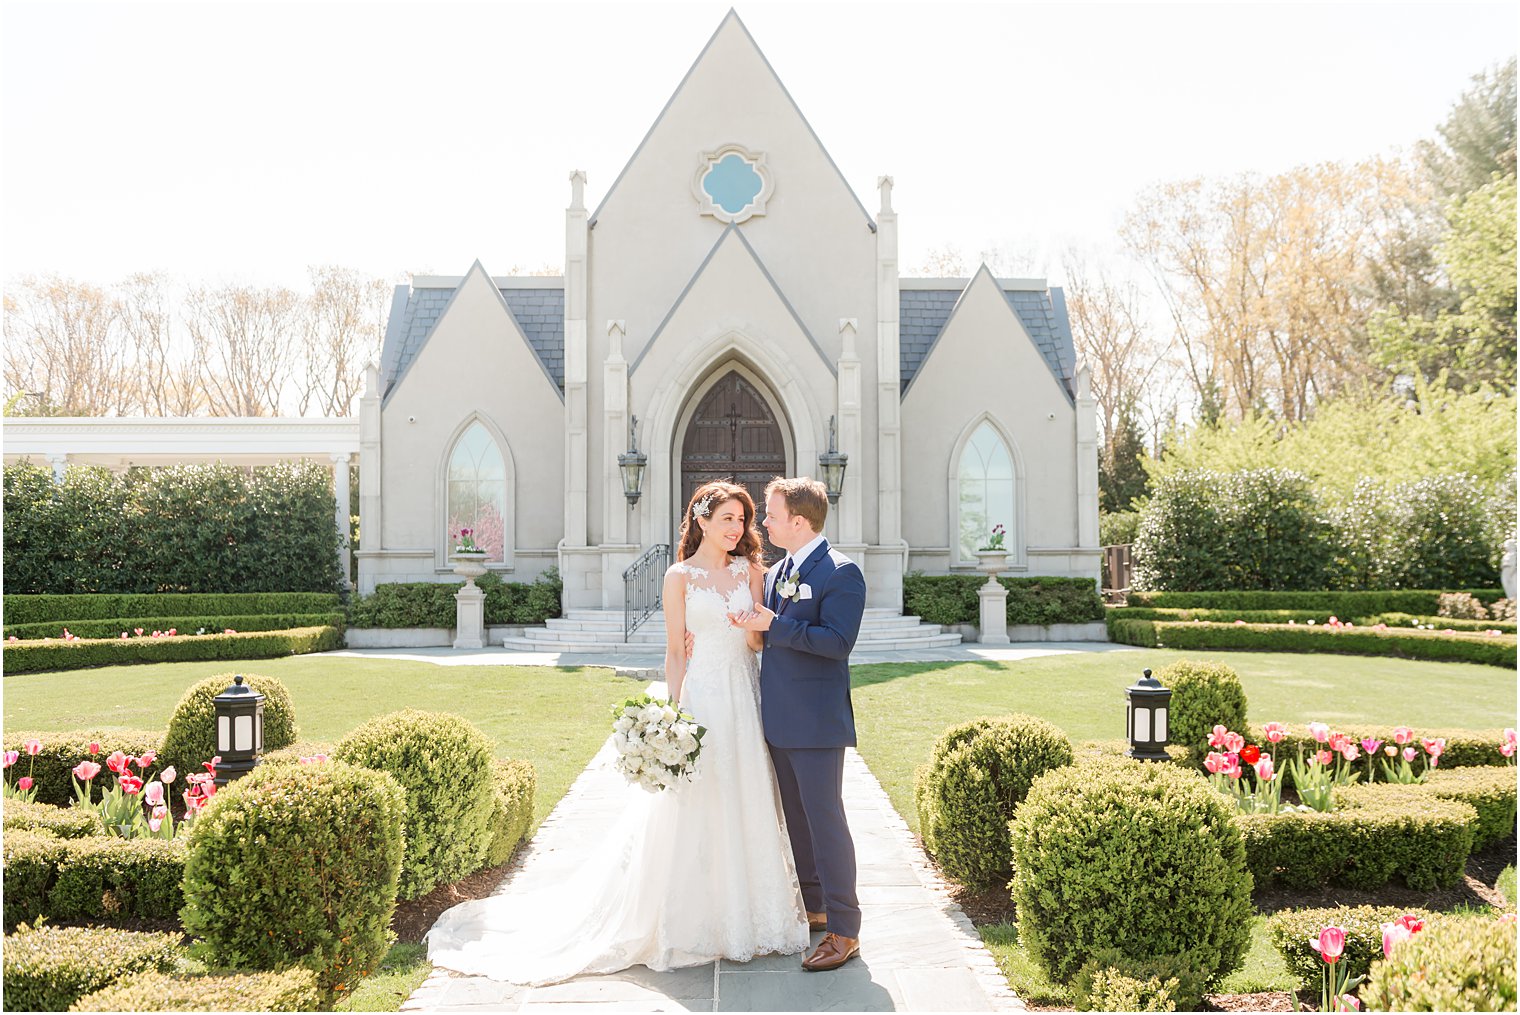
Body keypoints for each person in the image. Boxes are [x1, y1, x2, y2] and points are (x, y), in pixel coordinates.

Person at [425, 480, 808, 984]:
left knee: (746, 797)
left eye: (742, 520)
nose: (737, 529)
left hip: (743, 695)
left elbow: (759, 642)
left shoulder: (751, 571)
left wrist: (752, 626)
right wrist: (674, 712)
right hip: (702, 699)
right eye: (727, 520)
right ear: (701, 522)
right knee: (698, 803)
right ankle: (693, 920)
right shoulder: (678, 577)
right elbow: (675, 651)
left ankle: (751, 916)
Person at [728, 476, 867, 972]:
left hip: (817, 721)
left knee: (825, 820)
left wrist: (774, 625)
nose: (763, 522)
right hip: (778, 718)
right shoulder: (778, 569)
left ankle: (845, 930)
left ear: (799, 521)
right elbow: (765, 636)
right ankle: (816, 908)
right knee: (797, 822)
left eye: (771, 514)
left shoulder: (841, 573)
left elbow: (836, 643)